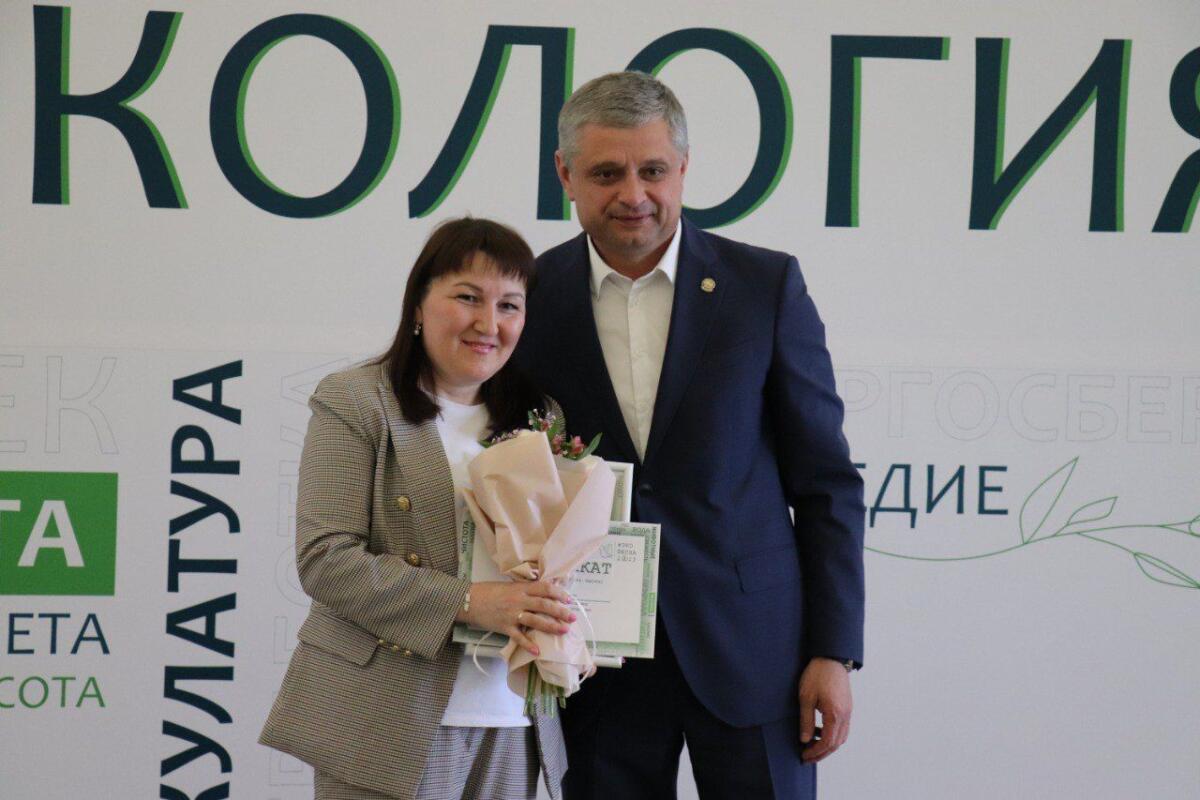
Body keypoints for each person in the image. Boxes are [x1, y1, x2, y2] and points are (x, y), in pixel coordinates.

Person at [514, 71, 866, 799]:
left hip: (754, 655)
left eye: (653, 170)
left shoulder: (765, 287)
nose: (633, 194)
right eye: (606, 174)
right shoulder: (526, 300)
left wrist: (833, 651)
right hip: (593, 661)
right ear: (565, 175)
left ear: (684, 168)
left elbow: (826, 484)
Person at [260, 217, 573, 800]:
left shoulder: (542, 416)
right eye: (467, 297)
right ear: (419, 305)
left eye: (509, 305)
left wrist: (579, 622)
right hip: (384, 719)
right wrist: (470, 602)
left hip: (512, 719)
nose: (489, 323)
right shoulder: (357, 400)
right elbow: (326, 560)